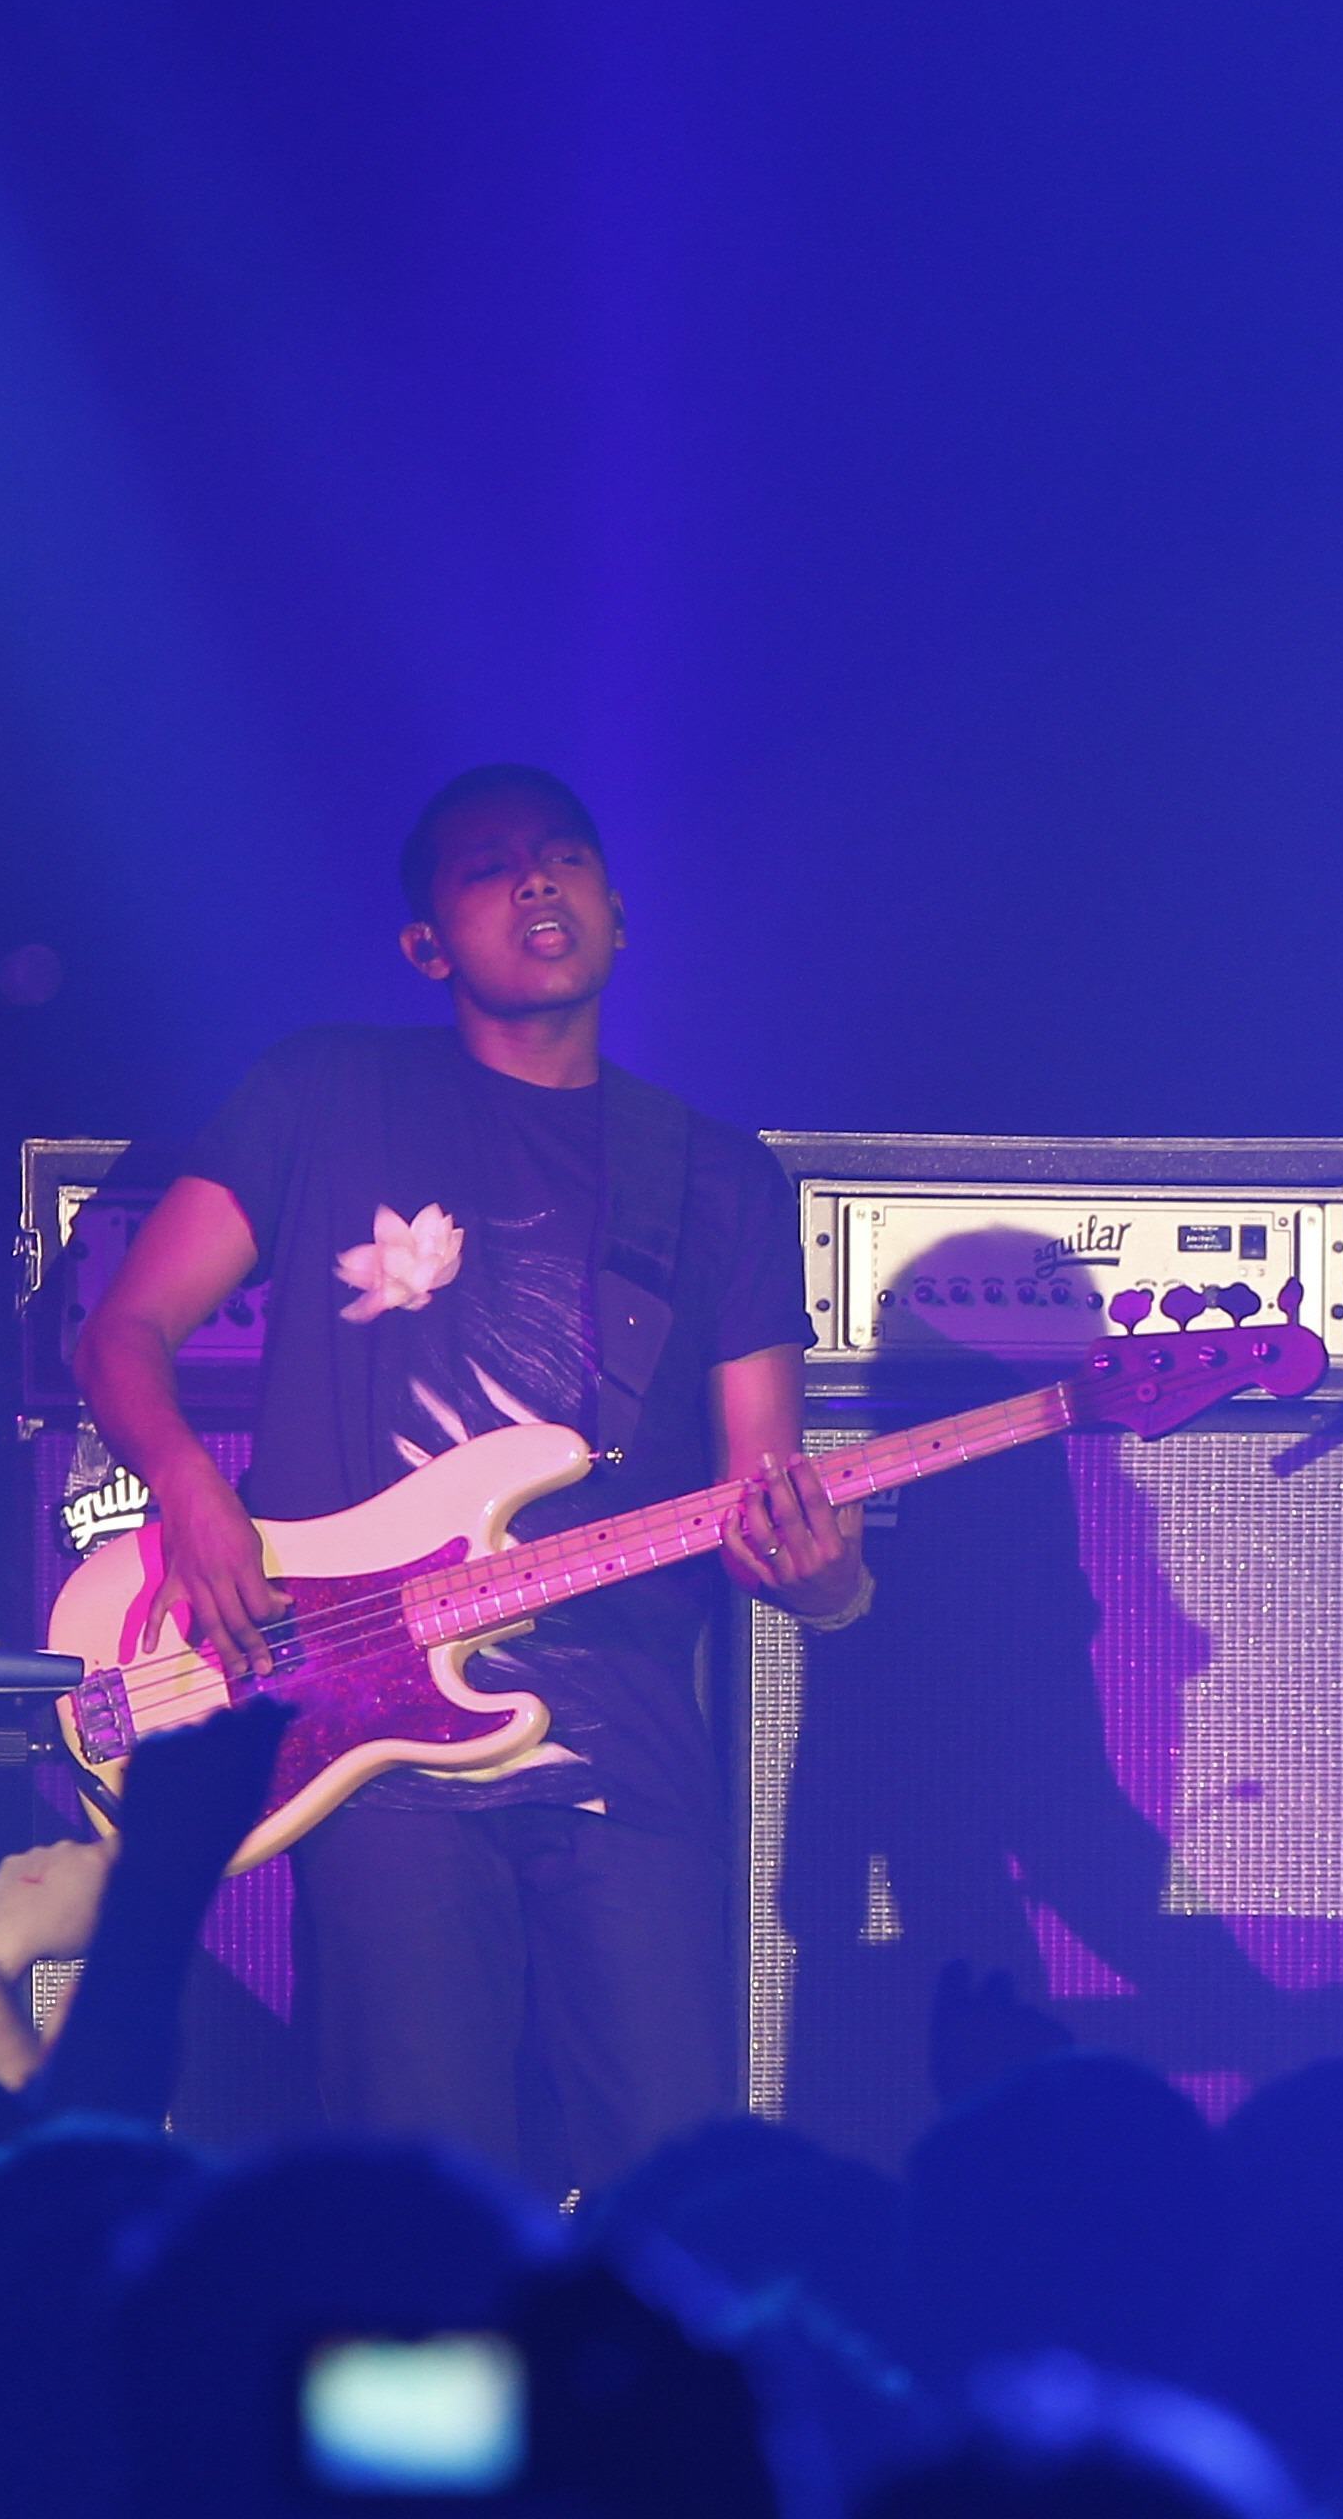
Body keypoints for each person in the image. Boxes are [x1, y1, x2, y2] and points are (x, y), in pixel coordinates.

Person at [75, 765, 866, 2190]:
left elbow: (766, 1497)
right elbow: (122, 1332)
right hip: (371, 1719)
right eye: (489, 865)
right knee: (421, 2192)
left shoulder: (716, 1178)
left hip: (623, 1723)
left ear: (618, 909)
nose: (536, 880)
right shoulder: (326, 1091)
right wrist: (193, 1492)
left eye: (564, 855)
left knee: (674, 2186)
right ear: (426, 944)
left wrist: (830, 1583)